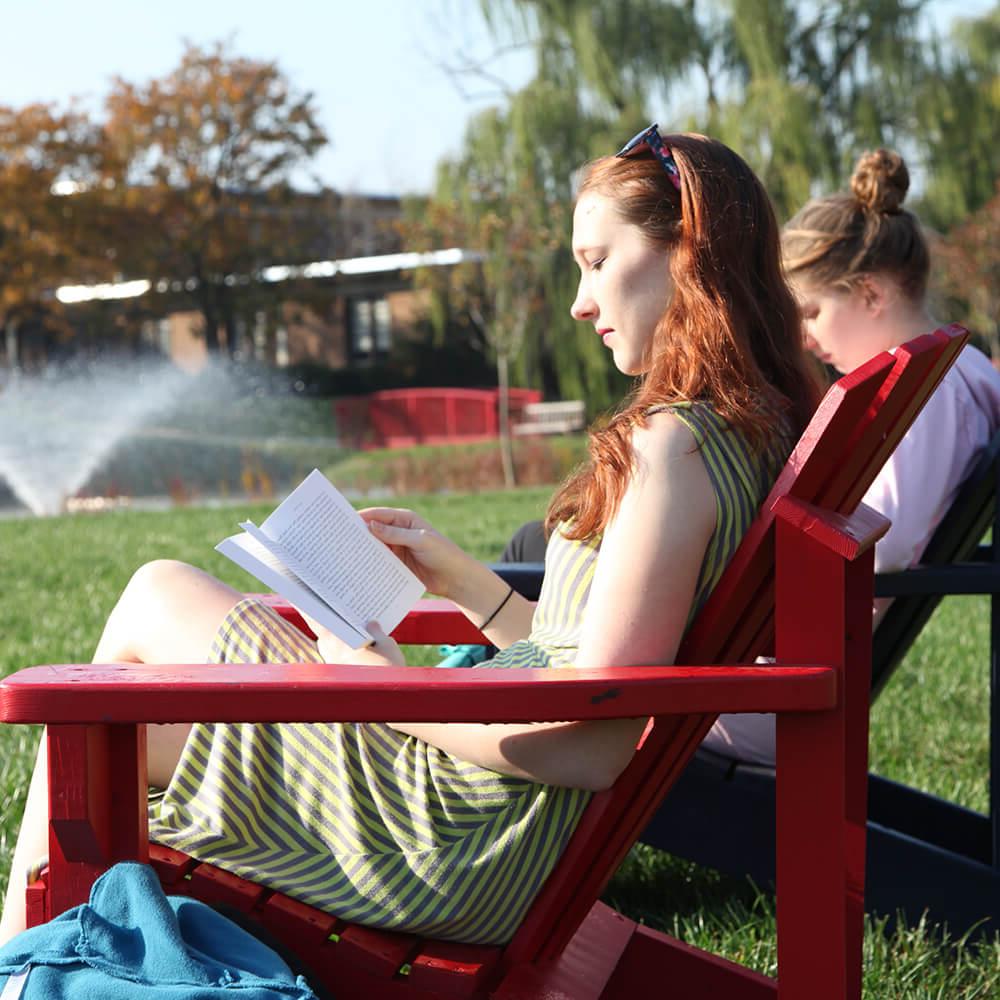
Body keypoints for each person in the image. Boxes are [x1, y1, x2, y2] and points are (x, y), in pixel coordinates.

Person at [0, 126, 820, 947]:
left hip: (457, 840)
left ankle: (16, 954)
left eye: (597, 261)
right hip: (479, 809)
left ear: (687, 254)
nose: (579, 300)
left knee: (135, 640)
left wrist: (376, 687)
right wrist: (464, 581)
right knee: (141, 657)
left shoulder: (673, 445)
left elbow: (594, 741)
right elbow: (594, 670)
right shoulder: (735, 432)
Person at [703, 147, 1000, 766]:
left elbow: (882, 543)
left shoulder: (933, 391)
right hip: (801, 659)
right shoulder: (951, 374)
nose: (803, 336)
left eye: (811, 311)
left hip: (793, 684)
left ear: (868, 293)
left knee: (571, 620)